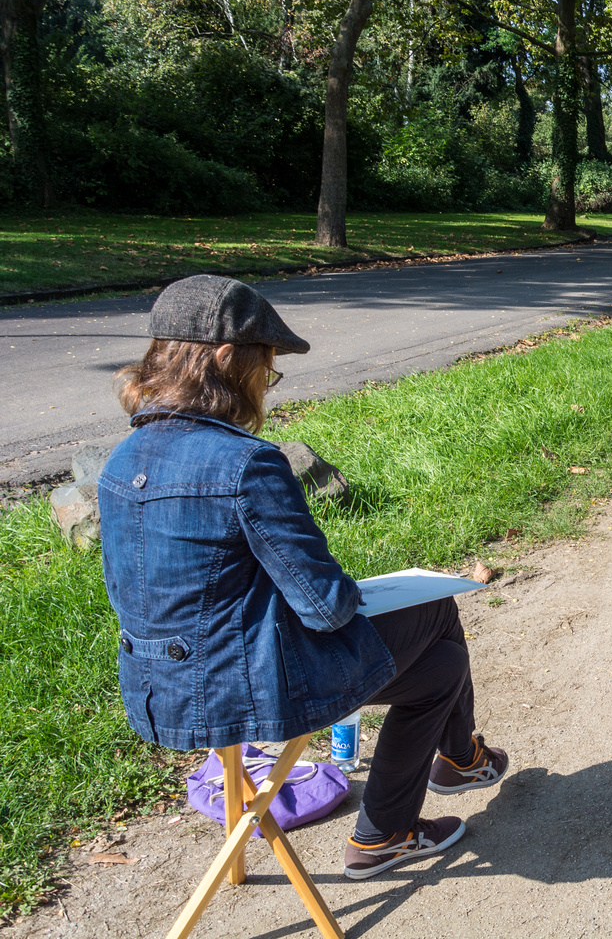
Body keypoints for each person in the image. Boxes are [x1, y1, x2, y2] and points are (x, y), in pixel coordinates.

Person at [98, 274, 508, 880]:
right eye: (266, 367)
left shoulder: (122, 457)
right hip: (247, 690)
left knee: (442, 669)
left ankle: (417, 803)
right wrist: (358, 590)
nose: (266, 384)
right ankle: (444, 773)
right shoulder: (247, 463)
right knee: (437, 609)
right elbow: (324, 606)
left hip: (158, 688)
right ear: (226, 360)